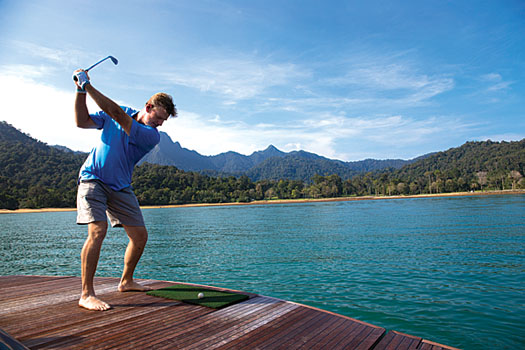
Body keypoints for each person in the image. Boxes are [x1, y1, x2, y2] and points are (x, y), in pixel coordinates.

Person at [73, 69, 177, 311]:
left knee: (140, 236)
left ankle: (126, 281)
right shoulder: (117, 115)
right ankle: (86, 294)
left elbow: (117, 114)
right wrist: (80, 90)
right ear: (148, 106)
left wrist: (88, 85)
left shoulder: (151, 136)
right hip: (93, 179)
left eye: (163, 121)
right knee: (97, 231)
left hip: (120, 187)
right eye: (158, 117)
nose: (160, 124)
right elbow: (82, 121)